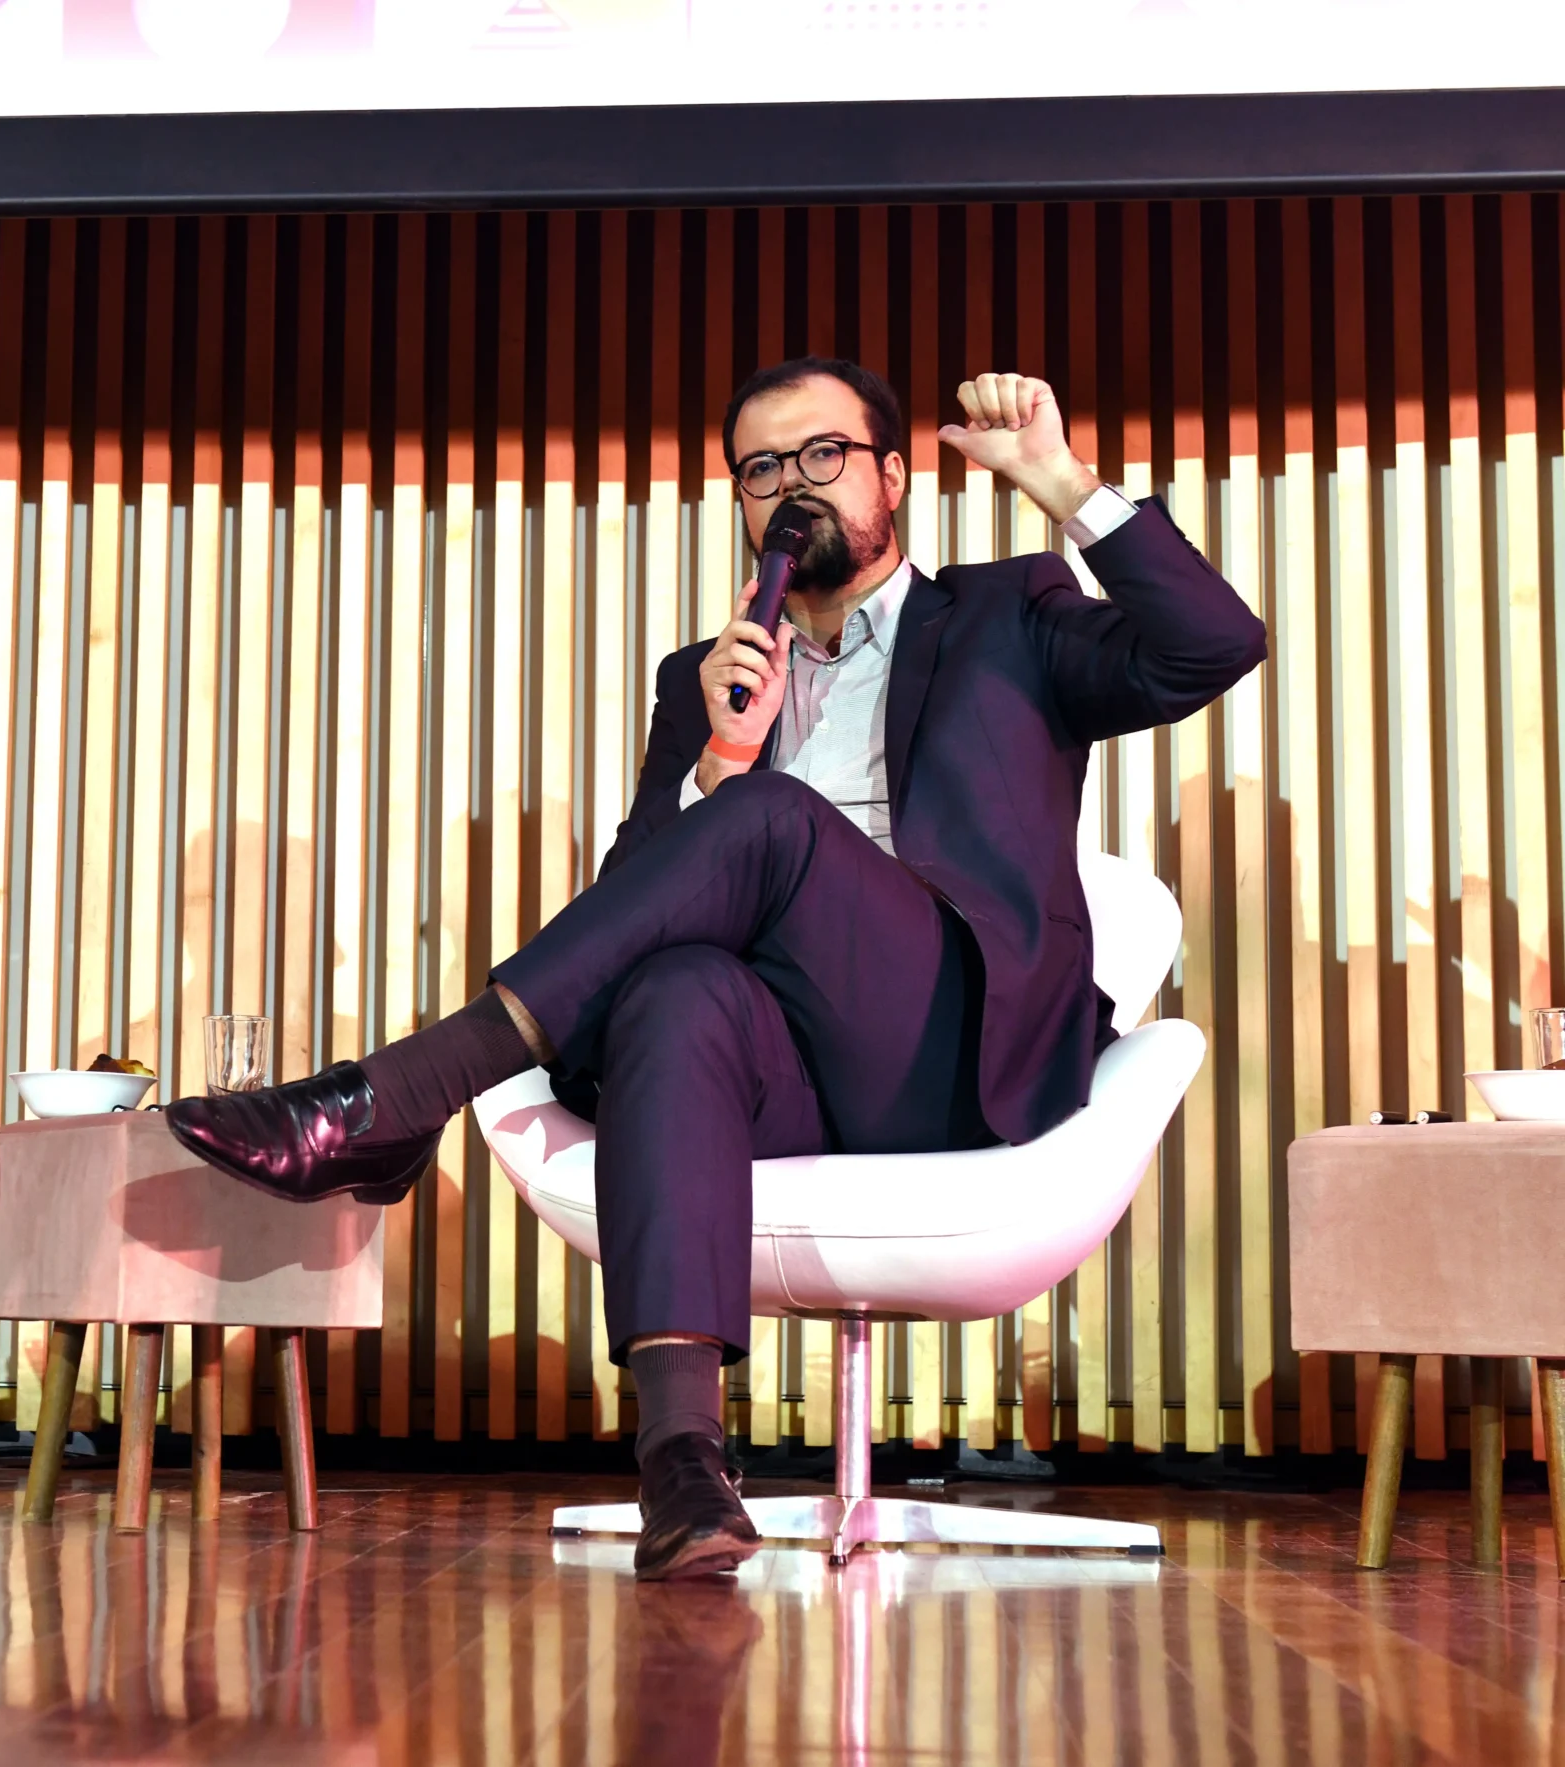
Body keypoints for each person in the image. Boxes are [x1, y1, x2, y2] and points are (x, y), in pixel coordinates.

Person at [168, 362, 1265, 1580]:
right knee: (673, 987)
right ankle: (682, 1466)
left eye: (823, 456)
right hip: (784, 1071)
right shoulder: (703, 680)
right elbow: (634, 920)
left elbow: (1212, 646)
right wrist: (718, 761)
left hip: (953, 1056)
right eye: (762, 469)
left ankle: (395, 1097)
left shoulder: (1008, 616)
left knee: (772, 823)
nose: (793, 486)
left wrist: (1059, 482)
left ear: (891, 476)